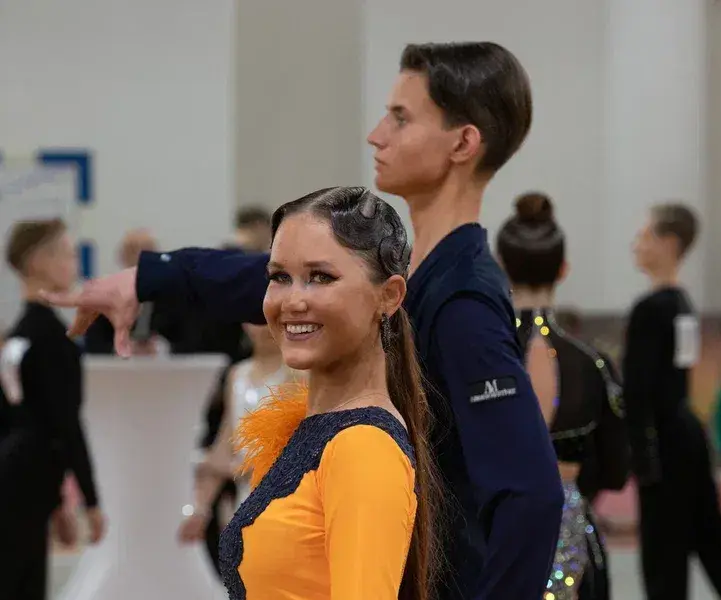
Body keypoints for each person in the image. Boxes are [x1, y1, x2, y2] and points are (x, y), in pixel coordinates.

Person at [43, 42, 563, 600]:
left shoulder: (463, 302)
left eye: (401, 117)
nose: (376, 134)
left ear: (463, 142)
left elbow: (531, 494)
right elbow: (288, 283)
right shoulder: (421, 270)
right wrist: (153, 276)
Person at [216, 187, 438, 599]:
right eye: (279, 277)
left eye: (321, 277)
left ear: (388, 296)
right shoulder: (311, 430)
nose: (293, 301)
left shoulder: (364, 447)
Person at [624, 203, 721, 600]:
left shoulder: (651, 310)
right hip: (687, 436)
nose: (636, 244)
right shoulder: (681, 303)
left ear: (669, 243)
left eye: (645, 235)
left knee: (664, 549)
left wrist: (642, 454)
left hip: (665, 443)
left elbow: (639, 390)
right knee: (708, 533)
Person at [496, 192, 630, 600]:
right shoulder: (594, 363)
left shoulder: (483, 359)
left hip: (497, 532)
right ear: (563, 269)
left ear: (501, 268)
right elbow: (617, 470)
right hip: (571, 531)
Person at [0, 219, 106, 600]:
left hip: (20, 478)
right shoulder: (49, 340)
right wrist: (90, 502)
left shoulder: (19, 336)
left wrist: (57, 499)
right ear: (39, 262)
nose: (74, 262)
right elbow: (66, 425)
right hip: (26, 480)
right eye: (66, 253)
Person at [177, 322, 301, 542]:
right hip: (244, 502)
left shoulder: (299, 373)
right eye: (256, 320)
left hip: (287, 500)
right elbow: (226, 444)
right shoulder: (237, 374)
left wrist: (235, 468)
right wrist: (200, 508)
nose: (264, 328)